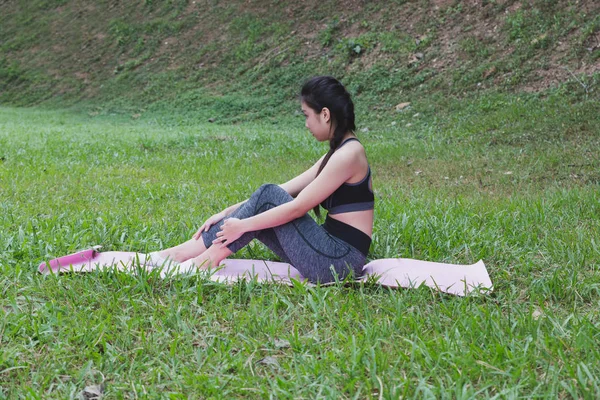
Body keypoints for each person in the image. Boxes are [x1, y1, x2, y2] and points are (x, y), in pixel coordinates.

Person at [148, 76, 374, 283]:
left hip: (340, 263)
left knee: (268, 196)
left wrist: (242, 225)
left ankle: (204, 262)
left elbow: (296, 208)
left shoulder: (348, 155)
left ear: (325, 114)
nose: (306, 124)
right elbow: (285, 190)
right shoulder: (337, 154)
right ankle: (179, 254)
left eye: (307, 115)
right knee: (267, 198)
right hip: (327, 253)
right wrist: (228, 212)